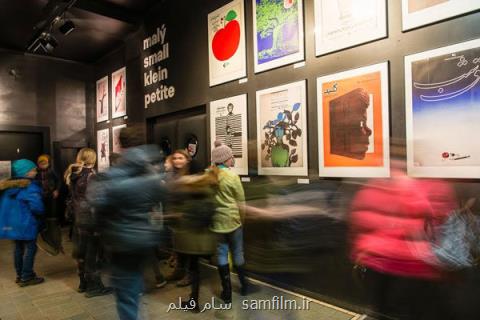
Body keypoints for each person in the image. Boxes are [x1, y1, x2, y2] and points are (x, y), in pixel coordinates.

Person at [349, 157, 457, 320]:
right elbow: (439, 219)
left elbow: (359, 218)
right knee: (408, 310)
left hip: (382, 263)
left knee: (384, 309)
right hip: (410, 265)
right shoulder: (429, 186)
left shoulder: (374, 186)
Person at [87, 127, 167, 320]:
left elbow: (99, 204)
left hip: (121, 240)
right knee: (135, 281)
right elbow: (161, 197)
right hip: (146, 238)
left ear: (121, 144)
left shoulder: (114, 174)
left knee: (126, 295)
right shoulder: (152, 170)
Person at [165, 149, 218, 311]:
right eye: (175, 159)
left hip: (190, 234)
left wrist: (171, 216)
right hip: (202, 234)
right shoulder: (206, 183)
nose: (177, 162)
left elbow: (181, 210)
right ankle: (193, 300)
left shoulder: (184, 184)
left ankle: (193, 302)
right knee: (194, 268)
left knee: (193, 268)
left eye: (181, 158)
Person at [65, 148, 111, 298]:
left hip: (78, 219)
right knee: (93, 254)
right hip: (91, 219)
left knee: (81, 253)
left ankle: (83, 283)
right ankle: (94, 287)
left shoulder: (73, 174)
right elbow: (97, 201)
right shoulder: (91, 176)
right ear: (93, 158)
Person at [210, 140, 249, 304]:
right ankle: (244, 286)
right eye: (231, 157)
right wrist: (243, 219)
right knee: (237, 253)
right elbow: (241, 201)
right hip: (233, 221)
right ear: (226, 159)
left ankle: (227, 292)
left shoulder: (208, 174)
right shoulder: (232, 176)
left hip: (216, 222)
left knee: (221, 254)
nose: (233, 159)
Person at [0, 159, 45, 286]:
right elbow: (37, 207)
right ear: (26, 172)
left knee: (18, 249)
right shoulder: (30, 186)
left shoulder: (9, 187)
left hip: (13, 225)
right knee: (31, 248)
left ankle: (20, 275)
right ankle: (27, 276)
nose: (35, 171)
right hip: (26, 223)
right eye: (33, 169)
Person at [35, 154, 63, 255]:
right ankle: (43, 230)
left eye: (45, 164)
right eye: (41, 164)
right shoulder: (36, 172)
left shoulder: (52, 171)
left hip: (50, 195)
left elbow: (59, 180)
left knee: (51, 213)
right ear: (38, 164)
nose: (43, 166)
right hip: (40, 195)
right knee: (41, 212)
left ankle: (51, 232)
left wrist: (57, 190)